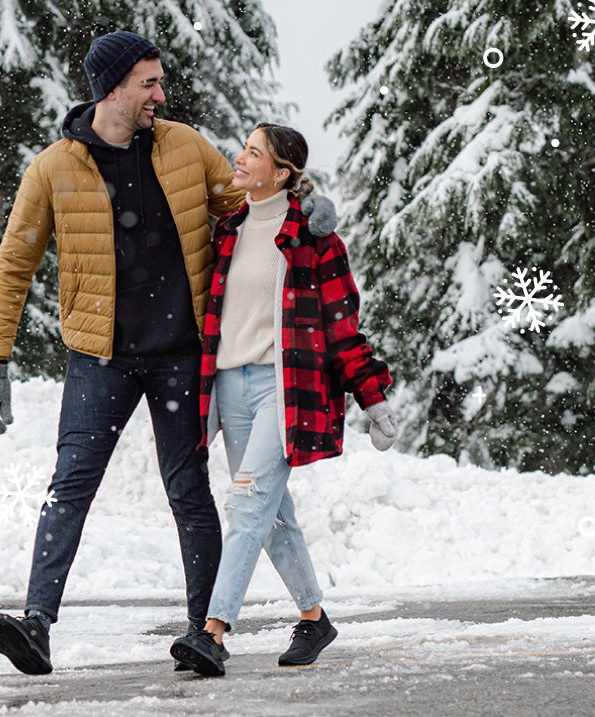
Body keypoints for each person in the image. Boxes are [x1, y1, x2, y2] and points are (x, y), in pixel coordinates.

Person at [0, 33, 337, 675]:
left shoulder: (183, 147)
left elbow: (248, 205)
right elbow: (13, 266)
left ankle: (206, 635)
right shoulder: (54, 168)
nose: (159, 95)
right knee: (70, 487)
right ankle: (37, 624)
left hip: (181, 355)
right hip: (100, 357)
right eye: (148, 83)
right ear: (112, 87)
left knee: (189, 492)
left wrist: (306, 208)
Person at [169, 123, 397, 677]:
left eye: (253, 153)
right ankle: (314, 618)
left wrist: (374, 398)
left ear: (282, 173)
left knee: (247, 502)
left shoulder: (314, 240)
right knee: (271, 516)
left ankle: (213, 632)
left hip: (282, 389)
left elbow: (343, 329)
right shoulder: (228, 229)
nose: (240, 158)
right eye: (243, 149)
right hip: (229, 386)